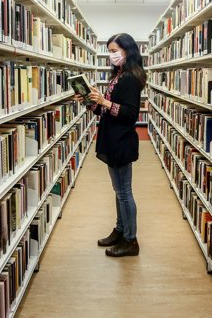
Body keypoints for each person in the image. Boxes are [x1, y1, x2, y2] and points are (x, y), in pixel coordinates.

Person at [84, 33, 146, 257]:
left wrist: (105, 102)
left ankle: (131, 240)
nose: (111, 55)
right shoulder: (118, 75)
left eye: (113, 51)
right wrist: (91, 102)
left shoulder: (130, 78)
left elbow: (130, 114)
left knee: (124, 192)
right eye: (109, 51)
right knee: (119, 191)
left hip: (121, 141)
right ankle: (120, 230)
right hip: (112, 138)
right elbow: (106, 110)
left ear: (127, 51)